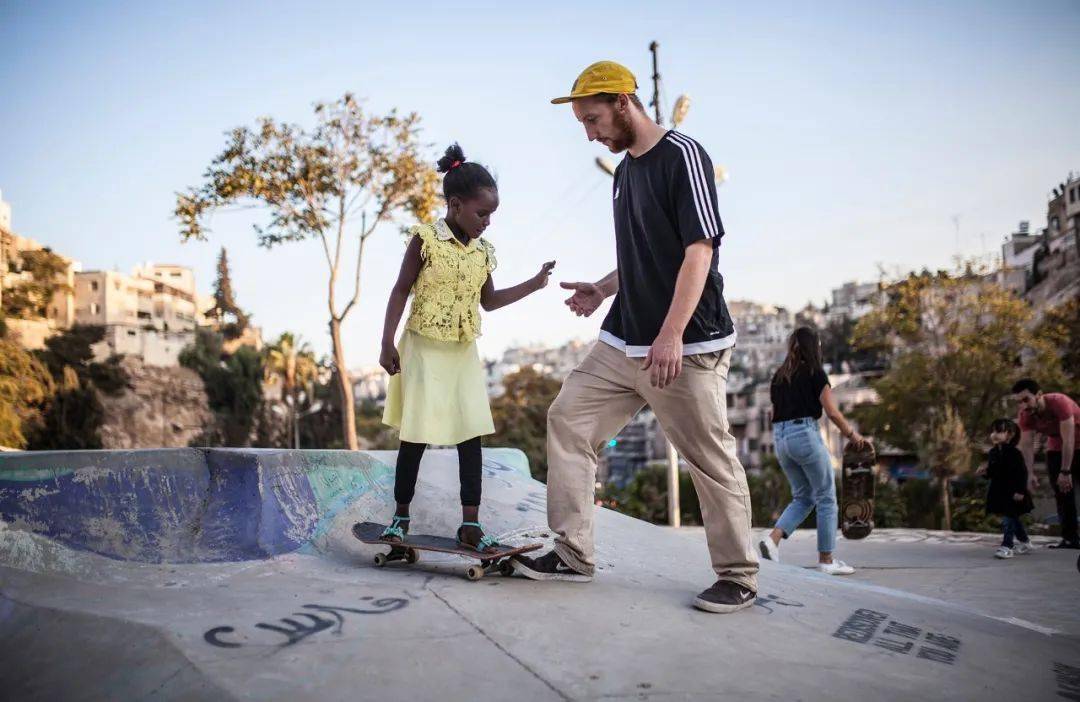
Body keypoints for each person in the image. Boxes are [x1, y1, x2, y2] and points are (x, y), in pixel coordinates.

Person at [513, 60, 759, 614]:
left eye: (593, 119)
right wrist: (602, 289)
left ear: (624, 101)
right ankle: (572, 552)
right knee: (568, 420)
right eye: (582, 123)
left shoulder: (683, 156)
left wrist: (671, 334)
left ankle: (738, 573)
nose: (590, 133)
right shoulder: (625, 173)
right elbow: (643, 257)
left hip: (687, 345)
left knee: (708, 456)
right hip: (625, 341)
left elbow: (700, 250)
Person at [379, 143, 555, 551]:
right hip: (422, 347)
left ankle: (470, 524)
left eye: (492, 215)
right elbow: (400, 289)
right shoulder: (426, 240)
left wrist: (533, 283)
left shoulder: (483, 253)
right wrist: (386, 341)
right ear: (455, 205)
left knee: (470, 434)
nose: (487, 222)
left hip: (461, 350)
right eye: (482, 213)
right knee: (416, 435)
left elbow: (488, 302)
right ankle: (400, 516)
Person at [755, 327, 868, 575]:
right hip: (804, 435)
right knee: (826, 496)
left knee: (804, 496)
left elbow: (775, 413)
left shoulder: (779, 377)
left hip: (781, 439)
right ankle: (826, 561)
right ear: (814, 347)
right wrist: (852, 435)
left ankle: (772, 541)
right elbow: (832, 412)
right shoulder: (816, 373)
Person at [1012, 379, 1079, 549]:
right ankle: (1070, 538)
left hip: (1075, 443)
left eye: (1026, 399)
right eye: (1019, 402)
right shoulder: (1025, 415)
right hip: (1056, 447)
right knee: (1062, 492)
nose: (1023, 405)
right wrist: (1028, 474)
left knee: (1066, 480)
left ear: (1039, 395)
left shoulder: (1059, 402)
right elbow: (1026, 446)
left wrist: (1065, 471)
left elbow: (1069, 440)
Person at [975, 418, 1034, 559]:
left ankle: (1007, 546)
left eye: (999, 431)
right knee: (1012, 518)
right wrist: (984, 472)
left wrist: (1020, 491)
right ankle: (1025, 541)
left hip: (1013, 492)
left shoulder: (1014, 453)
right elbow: (994, 473)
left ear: (1010, 434)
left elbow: (1022, 473)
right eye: (993, 431)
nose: (994, 434)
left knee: (1009, 519)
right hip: (999, 491)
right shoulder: (993, 453)